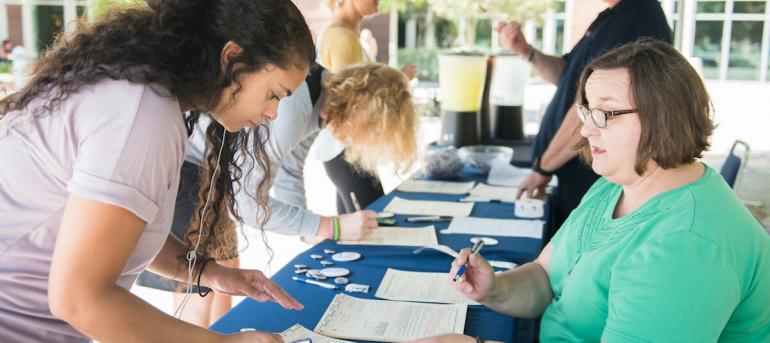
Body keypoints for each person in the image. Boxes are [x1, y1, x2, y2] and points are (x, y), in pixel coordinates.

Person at [0, 0, 317, 342]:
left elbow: (119, 230)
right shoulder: (142, 115)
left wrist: (208, 272)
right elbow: (80, 299)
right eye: (274, 95)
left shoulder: (145, 97)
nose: (273, 114)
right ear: (231, 59)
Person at [418, 39, 770, 343]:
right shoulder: (617, 183)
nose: (586, 130)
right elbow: (545, 276)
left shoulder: (685, 245)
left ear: (662, 117)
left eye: (605, 113)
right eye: (587, 110)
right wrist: (495, 289)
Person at [137, 63, 419, 327]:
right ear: (364, 112)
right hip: (188, 166)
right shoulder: (294, 106)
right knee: (197, 287)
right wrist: (329, 226)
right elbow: (248, 206)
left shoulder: (320, 101)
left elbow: (290, 173)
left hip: (209, 168)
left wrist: (312, 230)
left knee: (223, 270)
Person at [497, 0, 672, 239]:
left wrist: (544, 166)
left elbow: (595, 108)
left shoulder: (635, 19)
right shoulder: (612, 16)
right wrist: (527, 52)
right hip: (575, 175)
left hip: (591, 179)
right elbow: (566, 73)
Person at [317, 0, 418, 214]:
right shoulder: (341, 38)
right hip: (345, 150)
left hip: (350, 148)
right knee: (371, 228)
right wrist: (400, 79)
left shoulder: (347, 35)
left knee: (358, 232)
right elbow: (351, 100)